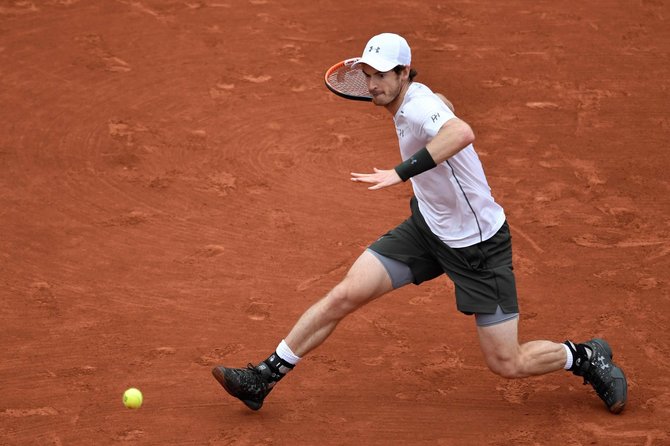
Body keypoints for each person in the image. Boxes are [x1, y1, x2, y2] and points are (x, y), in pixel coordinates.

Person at [212, 33, 627, 414]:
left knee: (507, 362)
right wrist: (440, 107)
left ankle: (586, 356)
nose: (372, 84)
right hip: (427, 229)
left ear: (404, 73)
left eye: (381, 76)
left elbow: (462, 132)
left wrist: (401, 172)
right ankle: (263, 377)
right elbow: (442, 109)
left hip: (476, 246)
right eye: (368, 75)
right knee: (344, 295)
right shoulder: (414, 99)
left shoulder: (417, 105)